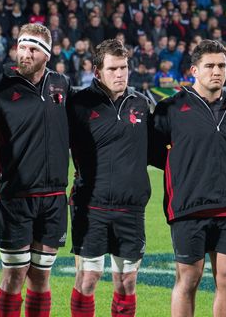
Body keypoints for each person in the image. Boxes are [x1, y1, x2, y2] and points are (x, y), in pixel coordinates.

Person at [0, 23, 71, 317]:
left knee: (41, 278)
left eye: (33, 49)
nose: (24, 54)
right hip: (13, 196)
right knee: (14, 276)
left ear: (47, 55)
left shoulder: (61, 85)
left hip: (53, 197)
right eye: (22, 47)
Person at [152, 40, 226, 317]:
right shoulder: (171, 108)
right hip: (188, 206)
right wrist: (187, 168)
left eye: (221, 65)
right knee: (188, 280)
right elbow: (152, 151)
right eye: (209, 66)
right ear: (194, 71)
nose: (217, 71)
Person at [67, 39, 154, 317]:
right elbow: (47, 137)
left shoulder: (140, 104)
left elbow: (165, 145)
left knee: (127, 283)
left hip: (131, 208)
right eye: (113, 68)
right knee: (88, 279)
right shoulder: (79, 105)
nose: (120, 74)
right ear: (97, 72)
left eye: (124, 68)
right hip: (92, 206)